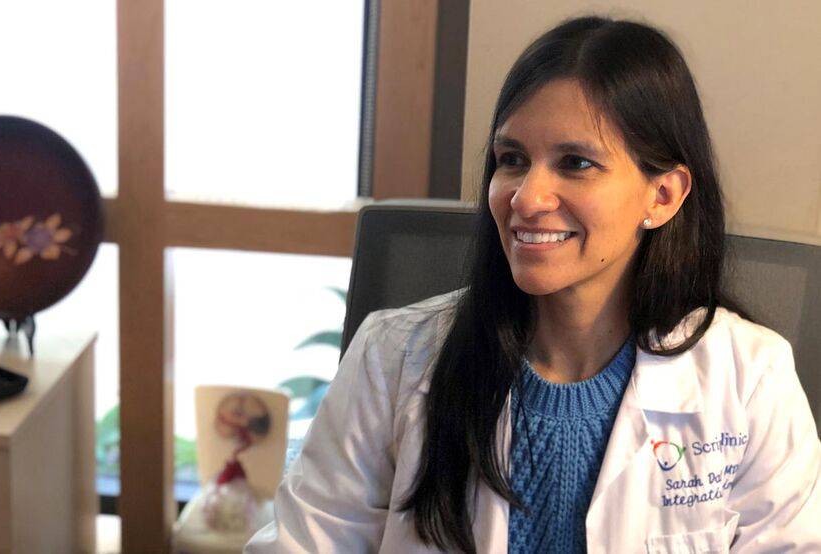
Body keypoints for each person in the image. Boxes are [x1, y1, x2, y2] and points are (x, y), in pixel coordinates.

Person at [246, 15, 821, 553]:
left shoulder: (751, 380)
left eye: (576, 163)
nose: (525, 197)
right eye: (512, 159)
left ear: (663, 195)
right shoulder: (394, 357)